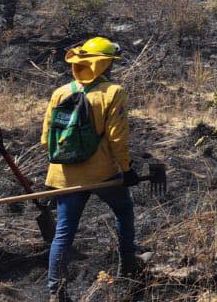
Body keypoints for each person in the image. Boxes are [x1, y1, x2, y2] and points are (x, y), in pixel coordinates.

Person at [42, 37, 147, 301]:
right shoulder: (114, 92)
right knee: (124, 210)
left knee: (63, 232)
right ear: (104, 65)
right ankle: (128, 265)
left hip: (63, 175)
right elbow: (117, 138)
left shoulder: (60, 92)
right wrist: (127, 170)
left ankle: (56, 292)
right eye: (111, 62)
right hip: (101, 174)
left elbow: (46, 139)